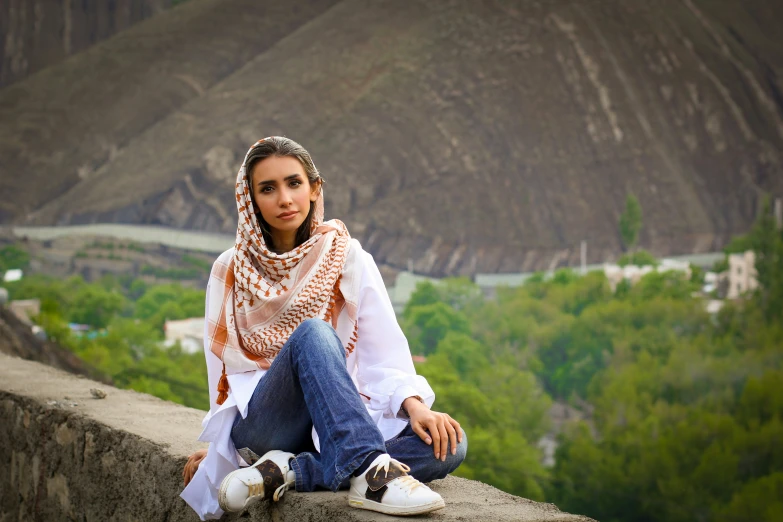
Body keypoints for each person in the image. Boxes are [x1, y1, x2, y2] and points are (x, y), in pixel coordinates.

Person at [180, 136, 467, 520]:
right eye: (268, 188)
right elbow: (223, 377)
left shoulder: (347, 256)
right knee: (314, 333)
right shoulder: (230, 269)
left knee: (449, 444)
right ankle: (373, 475)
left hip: (335, 421)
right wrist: (221, 454)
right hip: (266, 423)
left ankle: (289, 471)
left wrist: (415, 407)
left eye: (294, 183)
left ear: (314, 189)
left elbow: (384, 353)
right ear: (250, 200)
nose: (284, 198)